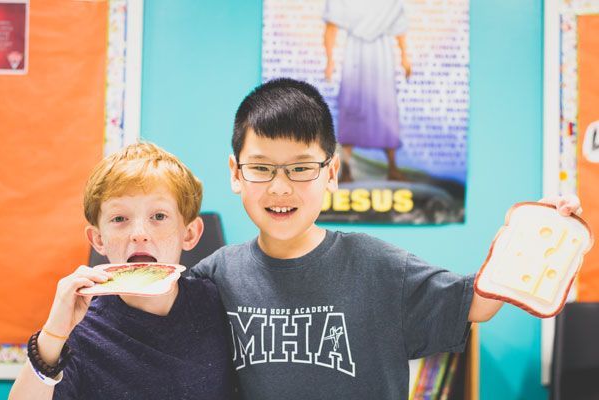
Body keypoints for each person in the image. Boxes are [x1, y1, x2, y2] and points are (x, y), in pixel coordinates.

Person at [191, 78, 581, 400]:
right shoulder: (216, 275)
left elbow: (476, 304)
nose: (280, 187)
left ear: (332, 172)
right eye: (261, 167)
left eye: (301, 168)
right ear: (235, 172)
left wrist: (537, 238)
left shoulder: (377, 266)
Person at [9, 143, 235, 400]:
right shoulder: (81, 330)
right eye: (119, 219)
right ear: (98, 240)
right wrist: (53, 335)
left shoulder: (220, 304)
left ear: (190, 233)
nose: (139, 234)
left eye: (159, 216)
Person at [323, 0, 412, 182]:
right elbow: (331, 28)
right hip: (355, 56)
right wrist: (330, 60)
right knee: (352, 109)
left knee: (385, 109)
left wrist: (405, 57)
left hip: (382, 56)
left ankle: (393, 168)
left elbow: (399, 27)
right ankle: (346, 169)